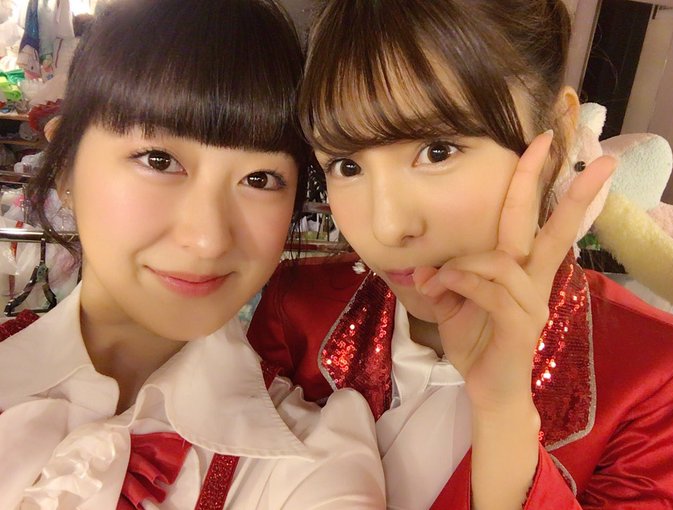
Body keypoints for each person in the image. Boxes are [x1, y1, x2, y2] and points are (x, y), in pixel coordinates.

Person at [247, 0, 673, 508]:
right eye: (346, 165)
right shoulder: (296, 311)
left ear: (557, 135)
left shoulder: (657, 379)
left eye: (437, 150)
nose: (388, 227)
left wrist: (503, 413)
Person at [0, 0, 385, 508]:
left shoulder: (311, 462)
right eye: (159, 160)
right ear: (66, 170)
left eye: (260, 179)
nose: (209, 240)